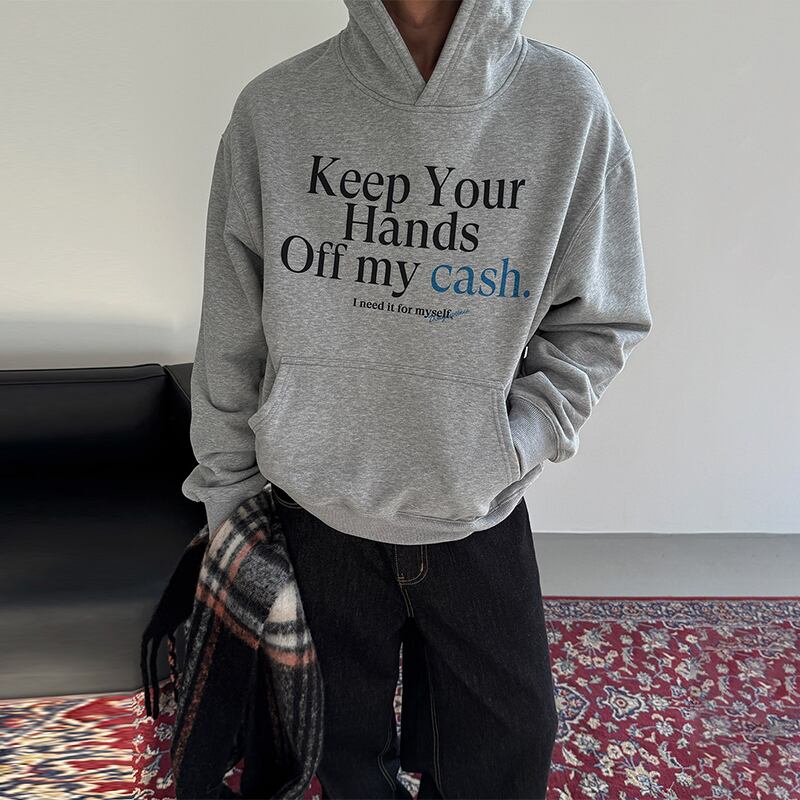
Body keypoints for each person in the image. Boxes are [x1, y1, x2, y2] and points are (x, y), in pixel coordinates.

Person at [181, 0, 653, 796]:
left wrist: (513, 442)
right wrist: (229, 499)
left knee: (506, 748)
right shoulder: (276, 108)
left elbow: (600, 321)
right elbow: (232, 328)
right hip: (315, 511)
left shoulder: (565, 107)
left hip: (476, 509)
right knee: (337, 750)